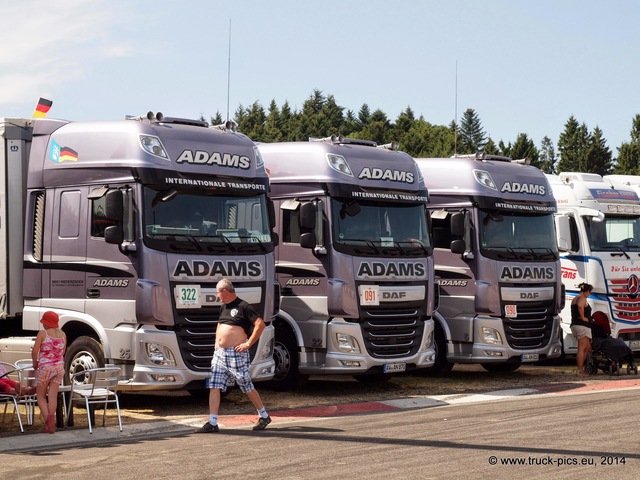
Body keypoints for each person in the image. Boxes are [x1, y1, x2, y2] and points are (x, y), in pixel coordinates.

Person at [196, 278, 271, 433]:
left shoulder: (243, 307)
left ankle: (263, 415)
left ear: (224, 291)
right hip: (220, 354)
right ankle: (212, 421)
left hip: (236, 353)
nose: (217, 296)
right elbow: (220, 324)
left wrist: (248, 344)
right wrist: (217, 341)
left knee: (246, 384)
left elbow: (260, 324)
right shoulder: (223, 307)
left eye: (218, 293)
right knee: (214, 385)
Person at [32, 311, 66, 433]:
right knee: (52, 397)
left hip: (45, 368)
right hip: (59, 368)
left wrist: (35, 363)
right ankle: (51, 422)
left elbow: (35, 351)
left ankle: (48, 419)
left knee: (40, 396)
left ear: (46, 323)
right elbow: (62, 352)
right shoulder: (63, 334)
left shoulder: (43, 333)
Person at [570, 282, 593, 377]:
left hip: (575, 325)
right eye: (590, 292)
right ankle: (579, 370)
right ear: (587, 291)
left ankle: (581, 368)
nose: (590, 294)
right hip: (582, 326)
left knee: (587, 347)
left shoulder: (575, 298)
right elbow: (580, 306)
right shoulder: (583, 299)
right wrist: (583, 317)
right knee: (582, 348)